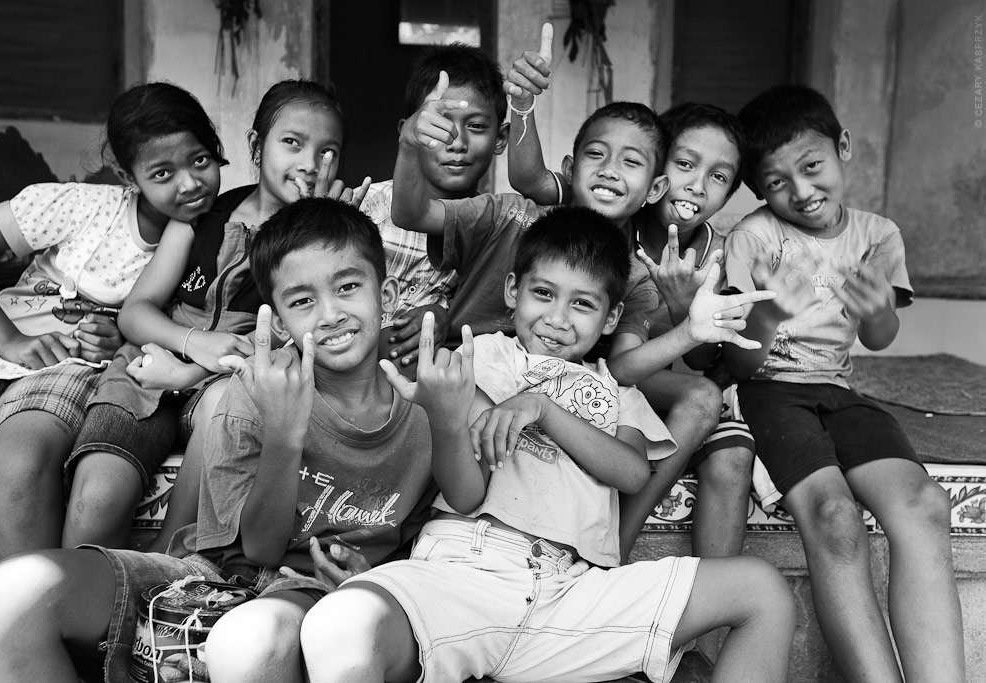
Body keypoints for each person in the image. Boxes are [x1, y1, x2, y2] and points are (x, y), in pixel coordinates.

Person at [300, 207, 793, 683]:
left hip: (573, 594)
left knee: (762, 590)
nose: (558, 318)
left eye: (582, 303)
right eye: (543, 293)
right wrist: (451, 419)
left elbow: (632, 473)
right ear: (513, 291)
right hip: (466, 571)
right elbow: (468, 490)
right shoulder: (482, 358)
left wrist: (545, 409)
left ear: (610, 317)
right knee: (343, 624)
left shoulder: (616, 390)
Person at [0, 197, 438, 683]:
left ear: (388, 295)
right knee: (14, 598)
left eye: (347, 287)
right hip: (212, 580)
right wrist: (285, 434)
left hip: (316, 604)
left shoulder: (427, 404)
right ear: (277, 322)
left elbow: (441, 550)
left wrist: (372, 581)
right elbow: (251, 556)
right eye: (302, 301)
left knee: (257, 639)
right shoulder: (253, 393)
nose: (330, 314)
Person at [722, 84, 965, 683]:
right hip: (769, 390)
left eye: (811, 167)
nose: (802, 191)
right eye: (777, 182)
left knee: (926, 505)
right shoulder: (751, 239)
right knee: (834, 517)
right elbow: (736, 363)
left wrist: (879, 308)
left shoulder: (878, 235)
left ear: (843, 147)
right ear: (758, 189)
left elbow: (878, 336)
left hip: (840, 390)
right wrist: (770, 315)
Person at [64, 79, 368, 551]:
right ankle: (75, 596)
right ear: (255, 145)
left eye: (328, 151)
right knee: (97, 498)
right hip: (147, 371)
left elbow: (303, 340)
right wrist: (191, 343)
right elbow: (136, 312)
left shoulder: (317, 241)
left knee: (220, 405)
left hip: (225, 386)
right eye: (292, 143)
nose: (310, 163)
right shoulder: (201, 217)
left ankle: (168, 568)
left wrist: (315, 224)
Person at [501, 22, 749, 562]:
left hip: (604, 372)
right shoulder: (578, 202)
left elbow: (632, 365)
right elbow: (526, 176)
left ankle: (617, 543)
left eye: (634, 163)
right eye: (685, 165)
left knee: (705, 401)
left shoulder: (651, 267)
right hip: (543, 359)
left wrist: (685, 315)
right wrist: (522, 107)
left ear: (651, 184)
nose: (612, 172)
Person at [0, 82, 224, 561]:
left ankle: (42, 613)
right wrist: (8, 339)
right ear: (129, 176)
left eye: (200, 161)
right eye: (163, 172)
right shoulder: (80, 207)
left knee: (20, 460)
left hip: (68, 370)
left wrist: (118, 333)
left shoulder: (222, 238)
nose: (188, 183)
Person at [359, 43, 508, 373]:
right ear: (407, 130)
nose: (457, 142)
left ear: (501, 138)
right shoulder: (366, 205)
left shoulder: (492, 226)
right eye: (439, 125)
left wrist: (444, 315)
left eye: (477, 126)